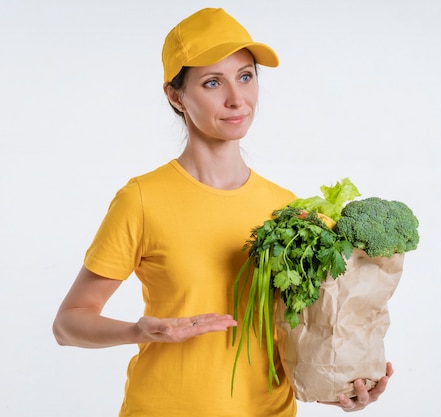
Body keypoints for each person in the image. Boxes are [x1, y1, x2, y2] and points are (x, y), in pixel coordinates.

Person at [52, 7, 392, 417]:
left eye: (245, 77)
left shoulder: (288, 211)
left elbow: (292, 336)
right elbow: (69, 323)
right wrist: (138, 331)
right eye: (213, 82)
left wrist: (337, 389)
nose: (237, 99)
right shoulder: (142, 199)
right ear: (175, 96)